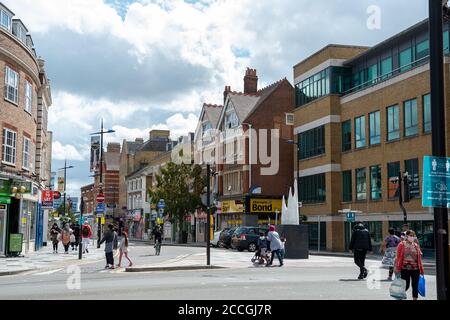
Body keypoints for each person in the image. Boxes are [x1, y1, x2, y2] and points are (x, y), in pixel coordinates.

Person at [395, 230, 424, 300]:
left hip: (415, 269)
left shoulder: (416, 245)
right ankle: (400, 296)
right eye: (410, 235)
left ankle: (415, 299)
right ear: (407, 236)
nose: (412, 237)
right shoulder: (401, 244)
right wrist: (397, 268)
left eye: (413, 235)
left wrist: (421, 269)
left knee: (415, 285)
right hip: (405, 269)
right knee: (406, 285)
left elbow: (419, 258)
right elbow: (398, 257)